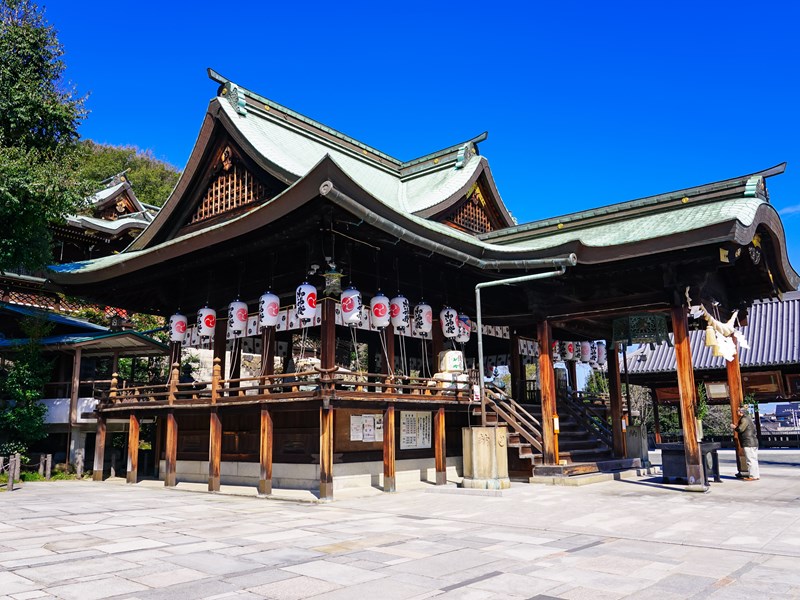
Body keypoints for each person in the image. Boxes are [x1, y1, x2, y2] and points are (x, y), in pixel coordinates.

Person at [731, 406, 759, 480]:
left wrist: (734, 427)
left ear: (741, 412)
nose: (737, 412)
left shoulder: (744, 419)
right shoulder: (748, 418)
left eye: (738, 411)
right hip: (753, 441)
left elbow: (740, 429)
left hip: (748, 442)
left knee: (750, 460)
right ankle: (756, 475)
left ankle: (753, 476)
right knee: (754, 460)